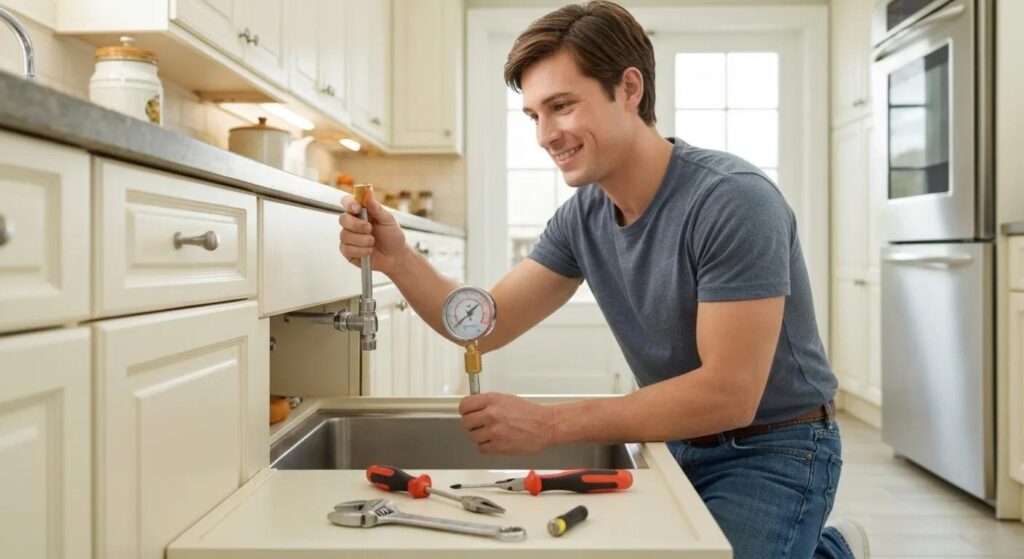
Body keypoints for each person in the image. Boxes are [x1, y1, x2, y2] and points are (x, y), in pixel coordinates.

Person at [339, 1, 868, 557]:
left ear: (630, 89)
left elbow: (729, 394)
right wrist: (396, 257)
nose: (546, 135)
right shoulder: (584, 215)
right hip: (673, 438)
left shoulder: (733, 200)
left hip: (777, 447)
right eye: (534, 116)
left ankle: (832, 547)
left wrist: (549, 424)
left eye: (561, 106)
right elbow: (484, 325)